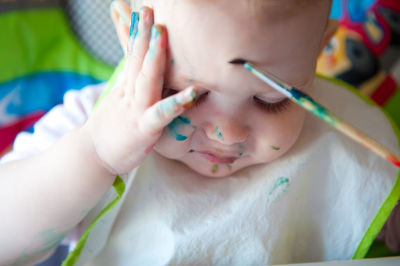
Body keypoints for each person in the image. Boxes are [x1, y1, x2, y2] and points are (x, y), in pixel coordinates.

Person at [1, 0, 399, 265]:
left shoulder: (352, 140)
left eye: (271, 99)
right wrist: (96, 154)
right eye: (182, 95)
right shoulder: (93, 125)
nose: (227, 134)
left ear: (317, 52)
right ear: (130, 32)